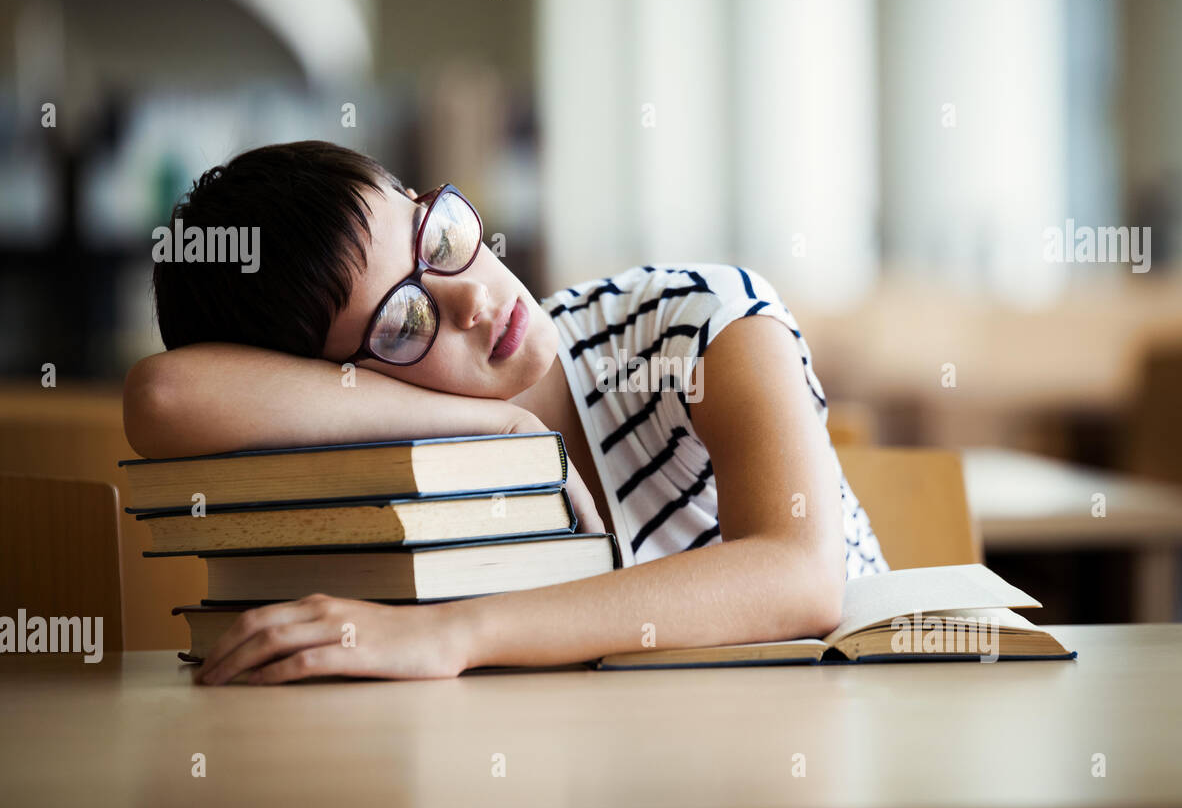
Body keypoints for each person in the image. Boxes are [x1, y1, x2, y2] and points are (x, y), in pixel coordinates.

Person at [125, 141, 887, 684]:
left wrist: (456, 632)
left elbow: (800, 574)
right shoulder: (387, 451)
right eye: (402, 322)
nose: (475, 299)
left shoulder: (695, 319)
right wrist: (500, 426)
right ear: (331, 386)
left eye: (440, 236)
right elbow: (164, 395)